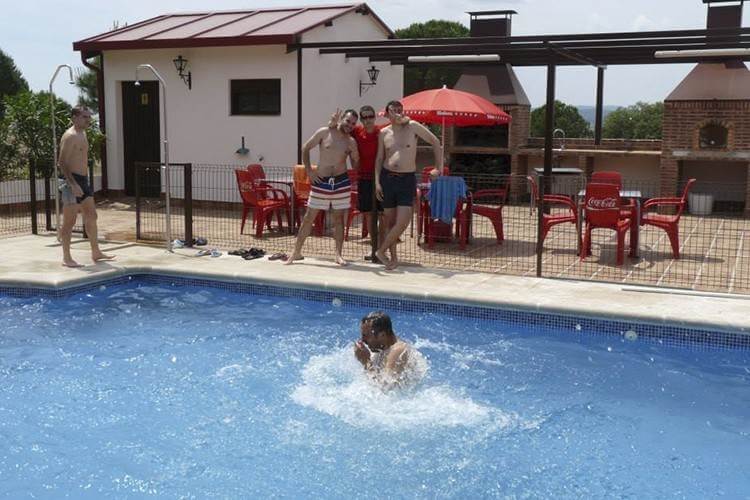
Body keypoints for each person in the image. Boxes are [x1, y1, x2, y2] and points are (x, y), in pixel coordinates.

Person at [285, 109, 360, 266]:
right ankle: (296, 252)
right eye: (347, 121)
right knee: (308, 218)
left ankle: (338, 255)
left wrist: (356, 157)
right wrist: (309, 171)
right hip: (321, 181)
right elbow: (305, 148)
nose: (350, 125)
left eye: (353, 123)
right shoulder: (324, 132)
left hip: (341, 182)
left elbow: (355, 164)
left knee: (339, 220)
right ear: (341, 120)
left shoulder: (351, 141)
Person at [374, 100, 443, 270]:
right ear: (387, 113)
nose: (398, 112)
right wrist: (376, 182)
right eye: (394, 110)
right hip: (387, 178)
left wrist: (439, 168)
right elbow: (379, 158)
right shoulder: (384, 132)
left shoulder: (412, 126)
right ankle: (393, 259)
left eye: (400, 109)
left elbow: (435, 142)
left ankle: (380, 251)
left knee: (402, 222)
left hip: (406, 179)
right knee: (390, 222)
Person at [57, 107, 114, 268]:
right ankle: (66, 258)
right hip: (71, 182)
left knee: (92, 215)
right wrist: (73, 184)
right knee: (70, 221)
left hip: (82, 180)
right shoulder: (70, 136)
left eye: (89, 117)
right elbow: (61, 162)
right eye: (84, 117)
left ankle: (96, 252)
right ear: (74, 117)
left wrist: (80, 182)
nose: (88, 120)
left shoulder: (83, 133)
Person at [353, 310, 426, 388]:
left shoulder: (399, 350)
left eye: (366, 335)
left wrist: (366, 362)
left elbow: (385, 389)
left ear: (382, 335)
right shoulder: (381, 349)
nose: (362, 340)